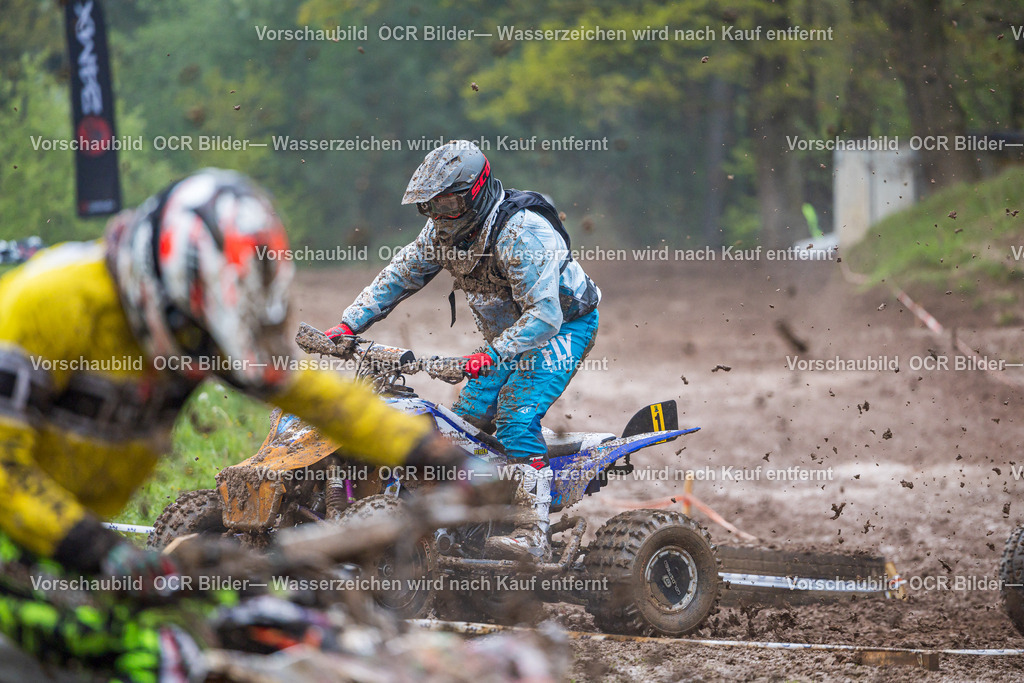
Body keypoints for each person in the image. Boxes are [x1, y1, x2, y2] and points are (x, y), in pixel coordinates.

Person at [0, 168, 487, 682]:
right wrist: (101, 551)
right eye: (198, 334)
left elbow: (319, 397)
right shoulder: (45, 306)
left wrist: (433, 453)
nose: (204, 356)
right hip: (21, 536)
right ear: (156, 286)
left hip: (68, 541)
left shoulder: (195, 321)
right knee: (146, 662)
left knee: (265, 628)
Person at [326, 140, 601, 562]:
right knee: (467, 422)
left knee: (514, 412)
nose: (438, 215)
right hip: (510, 334)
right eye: (429, 207)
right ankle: (479, 517)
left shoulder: (521, 232)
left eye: (448, 204)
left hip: (563, 325)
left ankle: (533, 533)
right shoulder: (441, 231)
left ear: (477, 191)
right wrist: (349, 323)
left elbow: (545, 318)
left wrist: (493, 354)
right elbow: (400, 275)